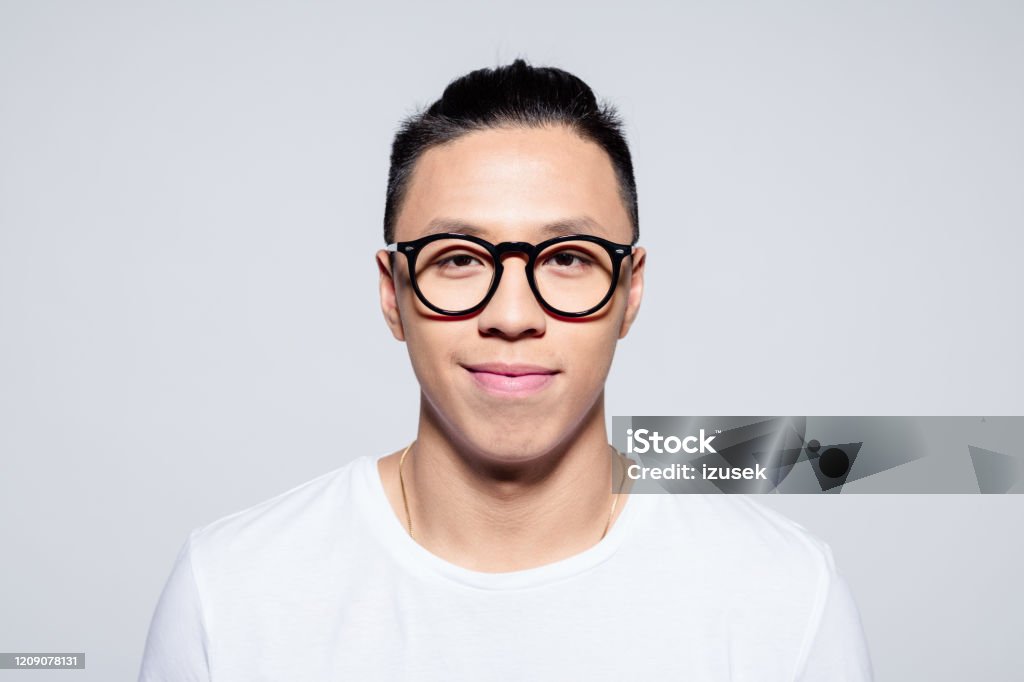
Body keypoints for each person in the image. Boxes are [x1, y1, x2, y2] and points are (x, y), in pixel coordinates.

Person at [138, 58, 874, 681]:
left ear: (631, 290)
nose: (514, 313)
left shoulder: (784, 596)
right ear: (392, 294)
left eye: (567, 258)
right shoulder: (233, 590)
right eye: (458, 259)